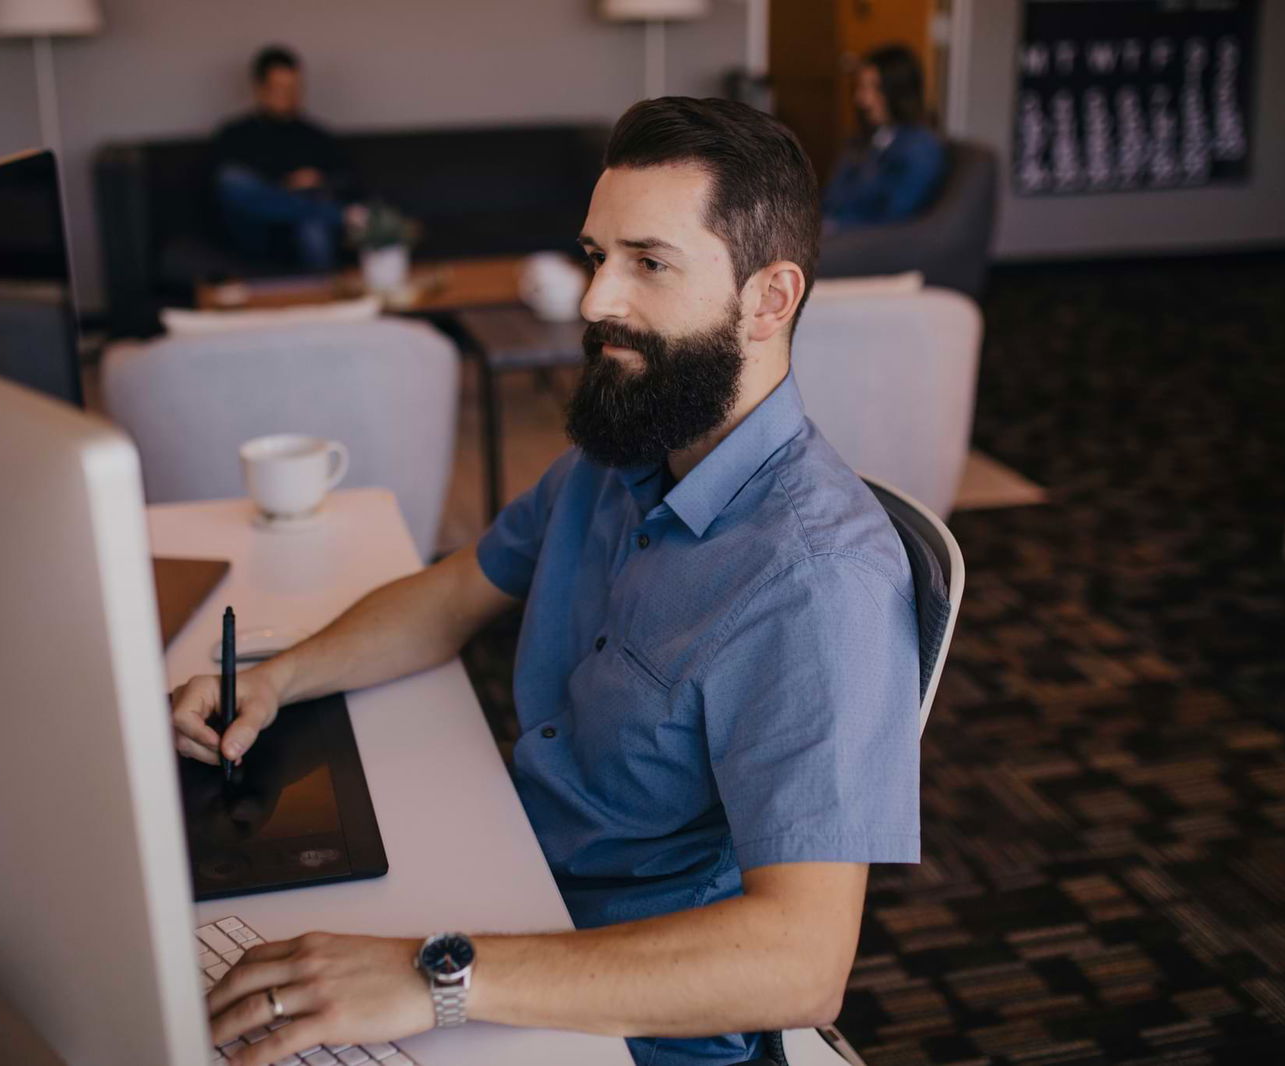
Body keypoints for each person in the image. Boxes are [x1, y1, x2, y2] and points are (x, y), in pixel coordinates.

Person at [171, 97, 921, 1066]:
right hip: (507, 893)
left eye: (647, 263)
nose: (593, 299)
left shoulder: (818, 578)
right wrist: (277, 679)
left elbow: (801, 961)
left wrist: (433, 975)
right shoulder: (624, 453)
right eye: (594, 255)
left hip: (620, 1014)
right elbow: (450, 596)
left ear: (769, 298)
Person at [213, 46, 357, 272]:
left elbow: (348, 180)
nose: (288, 96)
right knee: (232, 181)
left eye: (294, 88)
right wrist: (282, 187)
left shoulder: (316, 136)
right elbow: (228, 194)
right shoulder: (235, 135)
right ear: (260, 89)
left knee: (312, 224)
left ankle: (322, 299)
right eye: (279, 89)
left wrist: (318, 180)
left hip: (303, 230)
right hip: (255, 231)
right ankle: (335, 215)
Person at [823, 44, 948, 231]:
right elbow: (832, 199)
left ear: (897, 92)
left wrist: (832, 230)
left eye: (873, 89)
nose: (862, 99)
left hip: (863, 245)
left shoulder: (919, 148)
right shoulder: (867, 140)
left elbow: (894, 218)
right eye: (860, 88)